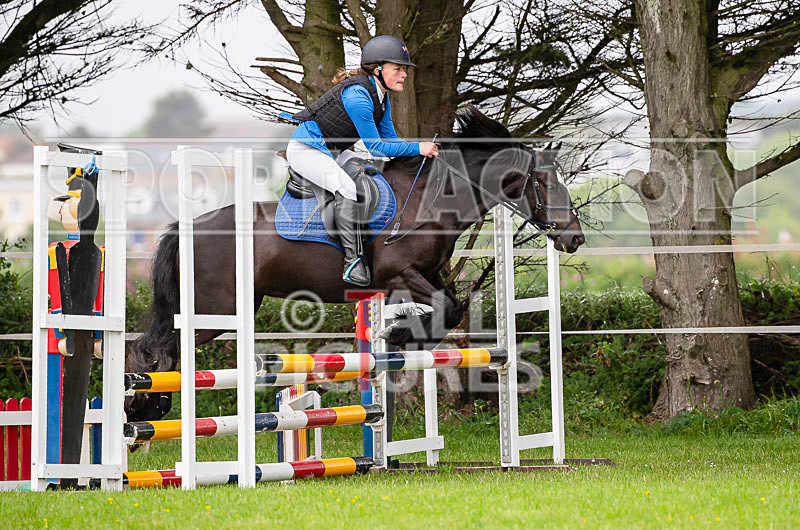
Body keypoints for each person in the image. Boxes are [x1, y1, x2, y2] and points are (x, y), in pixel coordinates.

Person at [287, 35, 438, 286]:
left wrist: (422, 149)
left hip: (333, 151)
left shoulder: (381, 96)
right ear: (377, 69)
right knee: (346, 188)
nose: (404, 75)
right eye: (398, 69)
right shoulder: (358, 97)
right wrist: (418, 147)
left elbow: (391, 140)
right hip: (307, 150)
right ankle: (352, 262)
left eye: (404, 69)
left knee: (370, 174)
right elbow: (377, 147)